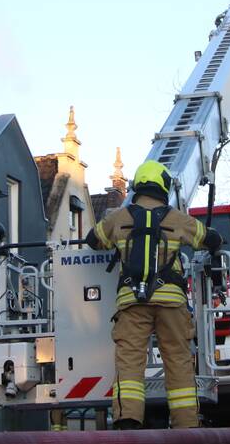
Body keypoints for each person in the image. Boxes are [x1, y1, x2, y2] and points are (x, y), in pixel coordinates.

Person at [85, 160, 221, 429]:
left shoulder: (118, 218)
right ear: (164, 186)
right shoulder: (177, 219)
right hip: (172, 303)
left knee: (130, 361)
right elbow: (210, 239)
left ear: (137, 185)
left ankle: (128, 420)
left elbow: (93, 240)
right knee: (178, 360)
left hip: (132, 302)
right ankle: (186, 424)